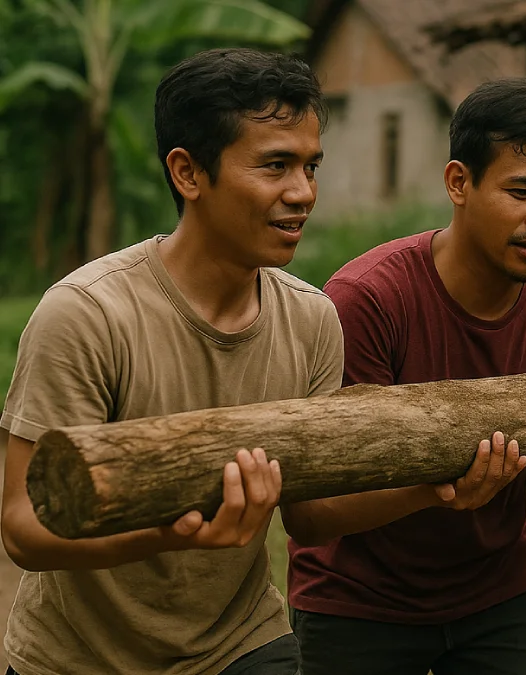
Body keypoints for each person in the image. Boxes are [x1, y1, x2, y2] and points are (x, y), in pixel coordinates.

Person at [284, 75, 526, 675]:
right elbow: (315, 512)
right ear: (458, 183)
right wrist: (432, 489)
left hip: (496, 594)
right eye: (522, 191)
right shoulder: (369, 298)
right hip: (359, 602)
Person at [0, 48, 337, 675]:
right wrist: (175, 532)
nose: (303, 193)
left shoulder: (313, 319)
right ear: (187, 172)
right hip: (78, 658)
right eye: (275, 165)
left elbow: (311, 515)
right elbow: (22, 528)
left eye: (311, 166)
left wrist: (438, 485)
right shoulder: (86, 314)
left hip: (241, 641)